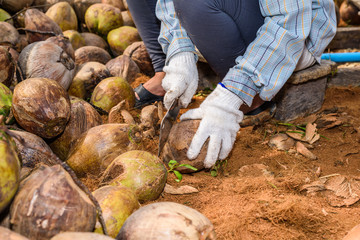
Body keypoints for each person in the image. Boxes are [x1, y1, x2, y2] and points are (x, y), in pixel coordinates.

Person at [127, 0, 337, 169]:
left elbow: (290, 22)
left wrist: (233, 94)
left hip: (297, 37)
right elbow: (169, 4)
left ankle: (250, 96)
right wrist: (180, 52)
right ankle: (165, 72)